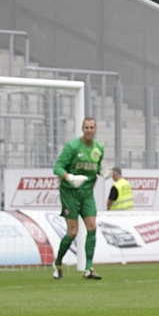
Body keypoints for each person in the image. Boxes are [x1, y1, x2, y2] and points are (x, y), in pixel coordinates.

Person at [53, 117, 111, 280]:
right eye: (86, 127)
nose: (89, 130)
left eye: (92, 127)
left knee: (92, 226)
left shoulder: (99, 147)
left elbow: (95, 166)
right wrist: (69, 177)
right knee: (73, 232)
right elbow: (57, 167)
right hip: (70, 192)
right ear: (82, 129)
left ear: (96, 129)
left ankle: (88, 268)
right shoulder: (72, 147)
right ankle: (57, 263)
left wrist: (101, 172)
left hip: (87, 193)